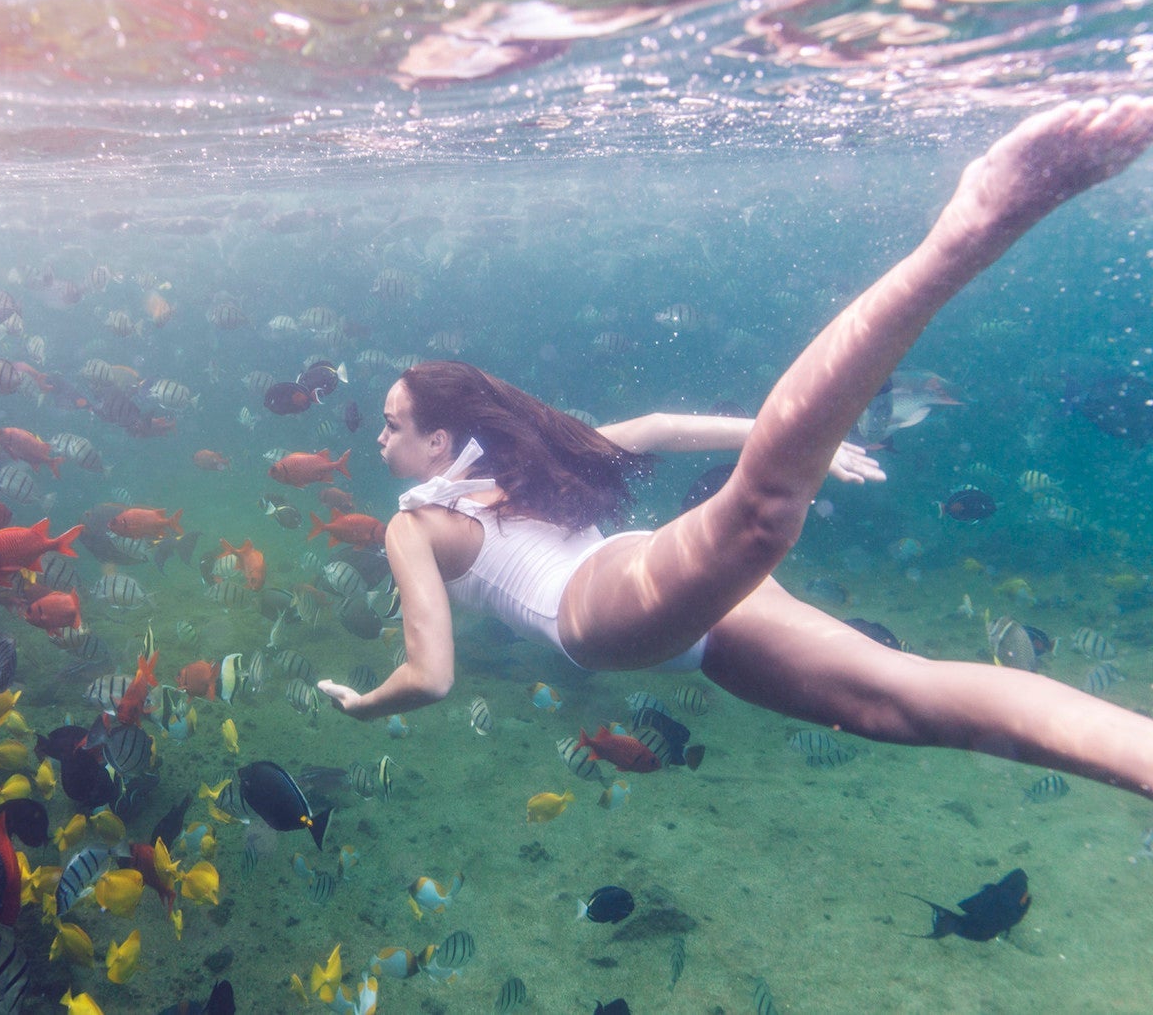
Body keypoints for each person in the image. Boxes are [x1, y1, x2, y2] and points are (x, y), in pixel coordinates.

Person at [317, 96, 1153, 800]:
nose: (379, 437)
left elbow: (430, 678)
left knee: (762, 512)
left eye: (391, 424)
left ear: (437, 440)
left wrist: (364, 706)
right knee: (903, 703)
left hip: (612, 607)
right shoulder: (505, 469)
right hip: (687, 626)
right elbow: (651, 430)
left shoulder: (410, 525)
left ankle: (961, 238)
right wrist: (776, 436)